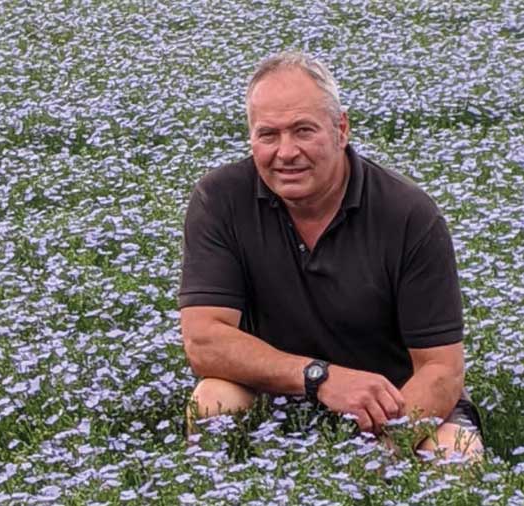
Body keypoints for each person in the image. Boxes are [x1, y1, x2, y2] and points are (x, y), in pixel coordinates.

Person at [178, 51, 483, 459]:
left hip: (392, 403)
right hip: (277, 392)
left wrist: (381, 454)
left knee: (455, 455)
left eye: (303, 131)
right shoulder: (219, 200)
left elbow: (441, 370)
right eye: (268, 135)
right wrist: (318, 378)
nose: (286, 152)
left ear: (341, 129)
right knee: (213, 402)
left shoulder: (409, 214)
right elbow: (204, 342)